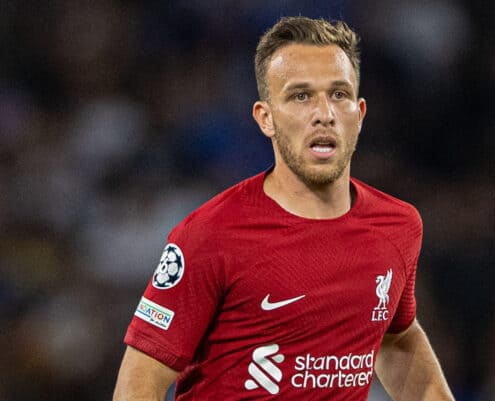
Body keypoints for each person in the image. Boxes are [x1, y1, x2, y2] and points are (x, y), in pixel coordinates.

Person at [113, 16, 454, 401]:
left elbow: (397, 339)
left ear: (359, 114)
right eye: (300, 96)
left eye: (338, 94)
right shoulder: (210, 234)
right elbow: (139, 380)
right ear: (266, 118)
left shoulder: (398, 226)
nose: (324, 113)